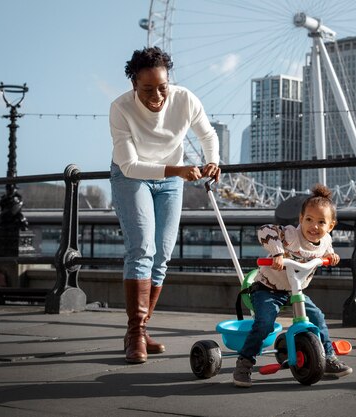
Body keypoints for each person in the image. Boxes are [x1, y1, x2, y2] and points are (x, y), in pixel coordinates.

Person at [109, 46, 220, 364]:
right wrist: (179, 170)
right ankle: (134, 334)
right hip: (132, 177)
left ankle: (142, 330)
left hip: (171, 180)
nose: (157, 96)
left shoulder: (185, 100)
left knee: (162, 254)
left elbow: (207, 135)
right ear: (134, 86)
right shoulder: (120, 109)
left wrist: (213, 161)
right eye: (147, 89)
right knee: (142, 248)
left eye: (162, 87)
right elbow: (129, 165)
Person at [233, 184, 352, 387]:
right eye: (309, 220)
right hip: (267, 288)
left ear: (330, 226)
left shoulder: (325, 240)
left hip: (293, 291)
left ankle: (329, 358)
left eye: (321, 222)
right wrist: (277, 252)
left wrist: (331, 256)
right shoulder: (290, 235)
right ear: (300, 219)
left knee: (318, 318)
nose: (314, 226)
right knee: (264, 324)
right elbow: (264, 231)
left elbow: (327, 250)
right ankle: (244, 363)